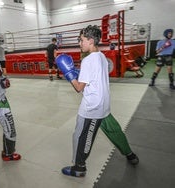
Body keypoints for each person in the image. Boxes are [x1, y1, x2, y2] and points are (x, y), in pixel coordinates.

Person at [56, 25, 138, 178]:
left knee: (82, 136)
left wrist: (69, 74)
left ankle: (79, 167)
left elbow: (79, 88)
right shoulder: (101, 56)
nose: (79, 43)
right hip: (103, 104)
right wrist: (77, 72)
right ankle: (130, 154)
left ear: (91, 41)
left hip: (92, 107)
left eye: (81, 40)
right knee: (114, 130)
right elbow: (94, 77)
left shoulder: (87, 61)